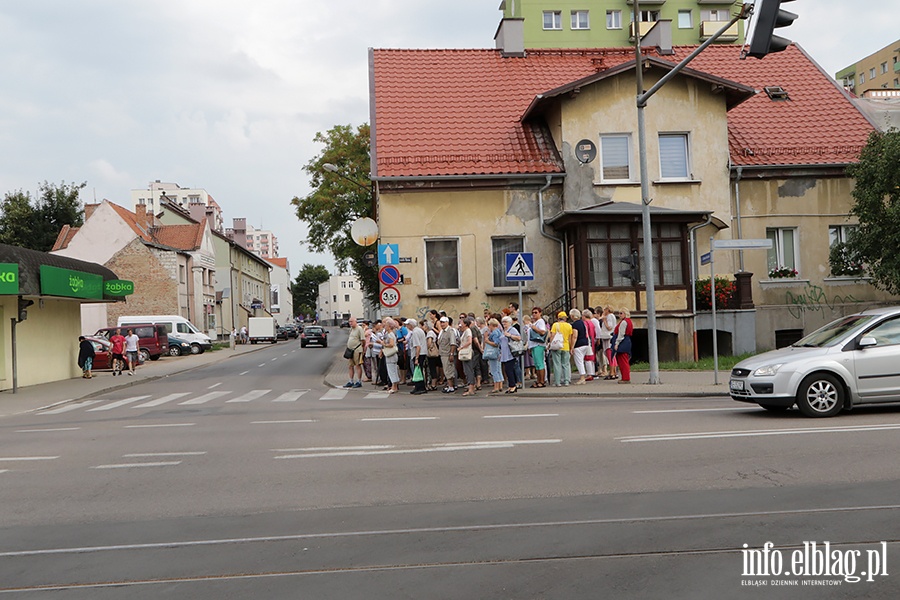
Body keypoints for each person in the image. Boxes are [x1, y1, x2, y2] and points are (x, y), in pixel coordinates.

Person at [549, 311, 574, 387]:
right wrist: (570, 347)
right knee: (565, 364)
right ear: (565, 318)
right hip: (566, 346)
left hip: (557, 346)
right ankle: (566, 381)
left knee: (557, 364)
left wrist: (550, 344)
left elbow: (552, 335)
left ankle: (557, 381)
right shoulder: (569, 326)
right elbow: (570, 338)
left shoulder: (555, 325)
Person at [437, 316, 458, 393]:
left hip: (447, 353)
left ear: (447, 322)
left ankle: (451, 386)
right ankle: (450, 385)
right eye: (441, 322)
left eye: (443, 322)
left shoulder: (450, 331)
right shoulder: (442, 331)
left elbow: (453, 343)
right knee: (446, 371)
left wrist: (451, 354)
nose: (442, 324)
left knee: (448, 371)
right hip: (443, 353)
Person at [500, 316, 520, 394]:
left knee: (509, 370)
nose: (504, 323)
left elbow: (519, 338)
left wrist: (510, 335)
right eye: (503, 322)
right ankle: (511, 385)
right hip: (504, 353)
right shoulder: (503, 330)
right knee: (507, 370)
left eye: (505, 322)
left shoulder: (512, 330)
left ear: (510, 322)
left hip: (510, 353)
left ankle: (513, 385)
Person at [613, 308, 635, 384]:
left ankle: (625, 378)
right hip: (626, 340)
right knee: (623, 360)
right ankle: (625, 377)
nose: (619, 315)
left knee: (623, 360)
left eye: (621, 313)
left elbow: (621, 334)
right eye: (619, 313)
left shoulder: (624, 322)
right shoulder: (628, 321)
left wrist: (617, 343)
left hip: (623, 341)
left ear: (625, 313)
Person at [569, 309, 590, 385]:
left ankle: (582, 378)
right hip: (585, 343)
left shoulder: (575, 324)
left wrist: (572, 347)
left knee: (579, 361)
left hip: (579, 345)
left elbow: (575, 336)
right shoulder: (582, 323)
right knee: (582, 361)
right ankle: (583, 376)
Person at [407, 319, 428, 395]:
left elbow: (417, 346)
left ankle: (420, 387)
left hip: (419, 354)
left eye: (408, 324)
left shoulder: (415, 332)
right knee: (419, 371)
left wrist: (416, 357)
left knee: (418, 371)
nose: (407, 326)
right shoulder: (418, 330)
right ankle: (418, 387)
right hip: (421, 353)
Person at [528, 307, 548, 388]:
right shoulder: (535, 322)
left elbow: (543, 332)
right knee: (536, 364)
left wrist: (534, 328)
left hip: (538, 344)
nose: (534, 314)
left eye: (536, 312)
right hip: (534, 345)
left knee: (540, 363)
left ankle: (542, 381)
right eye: (533, 313)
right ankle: (539, 380)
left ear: (540, 313)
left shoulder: (540, 321)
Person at [344, 317, 365, 388]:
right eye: (349, 322)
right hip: (350, 350)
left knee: (357, 365)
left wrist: (362, 348)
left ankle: (359, 381)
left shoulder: (359, 329)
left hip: (357, 349)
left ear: (355, 322)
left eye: (351, 322)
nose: (350, 323)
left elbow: (363, 340)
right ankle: (351, 380)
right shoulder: (351, 329)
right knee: (350, 366)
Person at [484, 318, 504, 395]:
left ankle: (496, 387)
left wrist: (487, 340)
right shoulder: (499, 331)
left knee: (494, 370)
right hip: (499, 353)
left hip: (493, 353)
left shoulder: (494, 333)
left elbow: (496, 343)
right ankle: (500, 385)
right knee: (499, 369)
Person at [382, 318, 400, 393]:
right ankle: (394, 386)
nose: (385, 327)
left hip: (391, 355)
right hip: (392, 356)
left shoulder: (390, 335)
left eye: (386, 325)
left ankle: (394, 387)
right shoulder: (392, 334)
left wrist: (384, 344)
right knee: (393, 371)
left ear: (389, 326)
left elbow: (391, 344)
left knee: (391, 371)